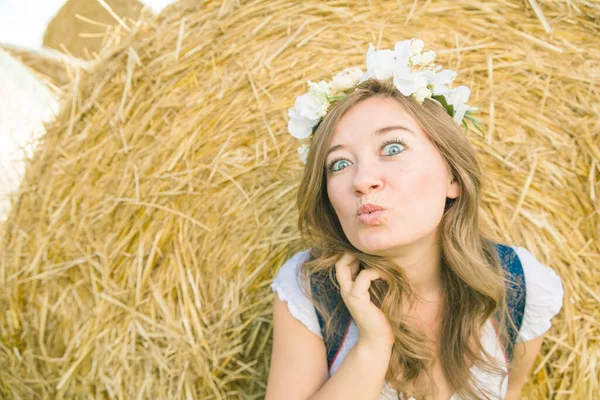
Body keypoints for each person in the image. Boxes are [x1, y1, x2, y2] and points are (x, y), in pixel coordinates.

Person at [265, 39, 563, 400]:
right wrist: (373, 346)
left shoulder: (521, 286)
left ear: (452, 178)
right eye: (339, 164)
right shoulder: (309, 291)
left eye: (392, 148)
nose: (361, 180)